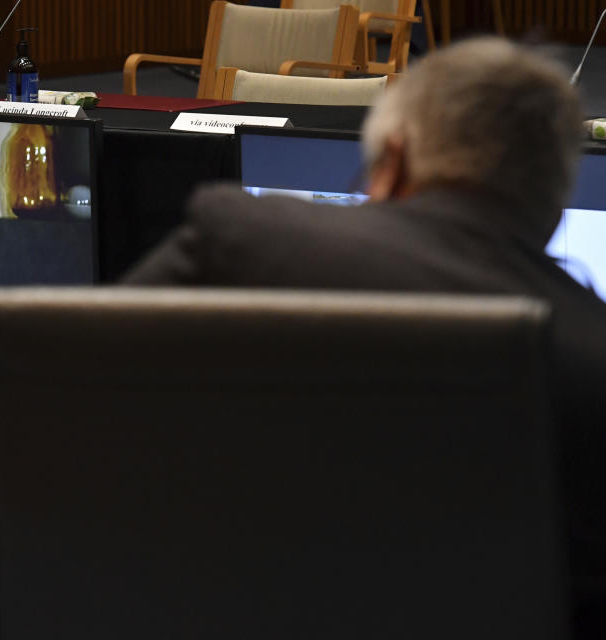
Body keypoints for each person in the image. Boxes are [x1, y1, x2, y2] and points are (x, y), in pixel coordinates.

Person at [123, 36, 606, 631]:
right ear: (555, 204)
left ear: (392, 161)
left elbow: (44, 395)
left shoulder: (246, 240)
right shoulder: (592, 357)